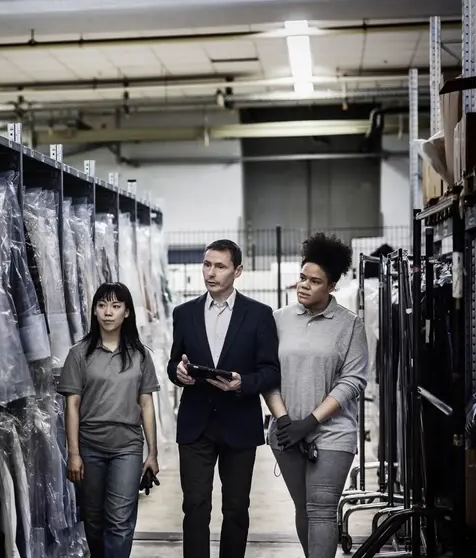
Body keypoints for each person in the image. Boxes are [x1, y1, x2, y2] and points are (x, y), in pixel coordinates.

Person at [166, 239, 281, 558]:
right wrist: (179, 372)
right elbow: (173, 363)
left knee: (235, 509)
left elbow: (271, 371)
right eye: (207, 265)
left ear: (238, 270)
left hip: (239, 422)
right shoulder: (184, 313)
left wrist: (244, 383)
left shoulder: (259, 315)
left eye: (220, 266)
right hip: (195, 424)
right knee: (195, 507)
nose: (211, 272)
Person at [265, 233, 368, 558]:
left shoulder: (350, 326)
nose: (304, 285)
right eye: (302, 277)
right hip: (286, 433)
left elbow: (352, 381)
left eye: (315, 281)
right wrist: (285, 421)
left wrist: (310, 421)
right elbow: (268, 375)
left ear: (332, 286)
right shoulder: (278, 320)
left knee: (321, 510)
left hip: (332, 435)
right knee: (304, 508)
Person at [58, 282, 160, 558]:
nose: (108, 312)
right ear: (94, 310)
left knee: (120, 521)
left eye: (116, 306)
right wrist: (74, 454)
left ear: (127, 312)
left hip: (127, 447)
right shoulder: (79, 354)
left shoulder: (140, 355)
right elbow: (72, 406)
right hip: (89, 447)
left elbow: (147, 404)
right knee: (93, 520)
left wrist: (152, 453)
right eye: (102, 305)